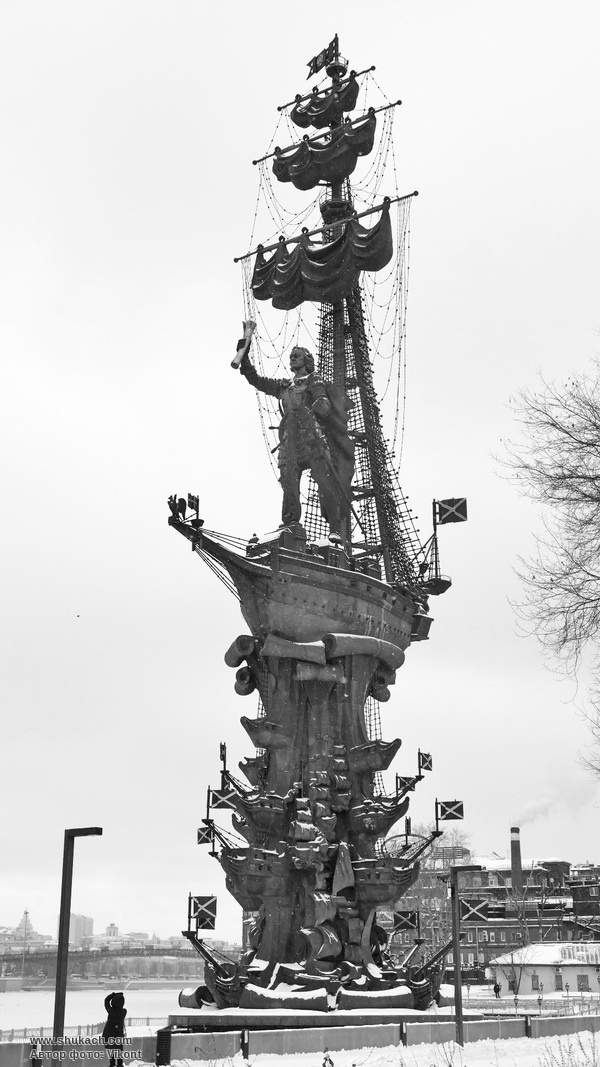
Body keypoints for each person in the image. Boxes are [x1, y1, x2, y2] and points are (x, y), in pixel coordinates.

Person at [238, 343, 354, 540]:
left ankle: (334, 526)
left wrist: (316, 407)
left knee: (325, 482)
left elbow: (324, 404)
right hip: (289, 438)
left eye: (297, 356)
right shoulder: (284, 386)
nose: (292, 358)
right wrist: (244, 354)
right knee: (289, 483)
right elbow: (257, 380)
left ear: (307, 361)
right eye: (291, 356)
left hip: (311, 436)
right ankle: (290, 523)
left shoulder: (314, 380)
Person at [103, 991, 127, 1067]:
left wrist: (113, 994)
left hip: (109, 1036)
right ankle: (120, 1065)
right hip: (118, 1036)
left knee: (112, 1055)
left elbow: (106, 1001)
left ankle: (112, 1065)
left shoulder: (111, 1011)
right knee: (119, 1054)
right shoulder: (123, 1012)